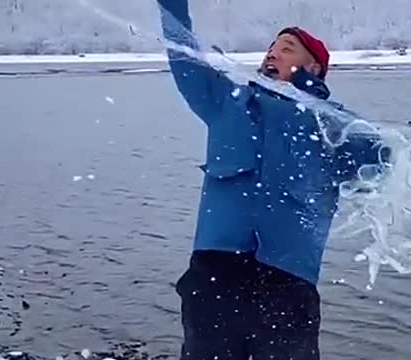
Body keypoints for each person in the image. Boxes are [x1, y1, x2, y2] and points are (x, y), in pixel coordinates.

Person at [157, 0, 390, 359]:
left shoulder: (335, 127)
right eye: (271, 47)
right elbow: (184, 57)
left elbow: (391, 160)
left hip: (288, 285)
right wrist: (172, 6)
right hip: (215, 274)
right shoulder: (227, 100)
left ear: (313, 66)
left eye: (286, 48)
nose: (273, 53)